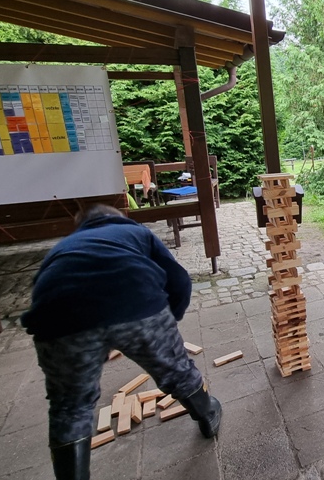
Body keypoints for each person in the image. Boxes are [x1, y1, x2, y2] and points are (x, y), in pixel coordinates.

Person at [21, 205, 221, 480]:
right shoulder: (134, 231)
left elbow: (41, 292)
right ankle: (208, 414)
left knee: (69, 406)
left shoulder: (63, 248)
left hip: (59, 321)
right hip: (136, 302)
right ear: (120, 217)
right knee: (177, 370)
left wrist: (90, 345)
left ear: (81, 226)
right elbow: (179, 281)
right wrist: (167, 323)